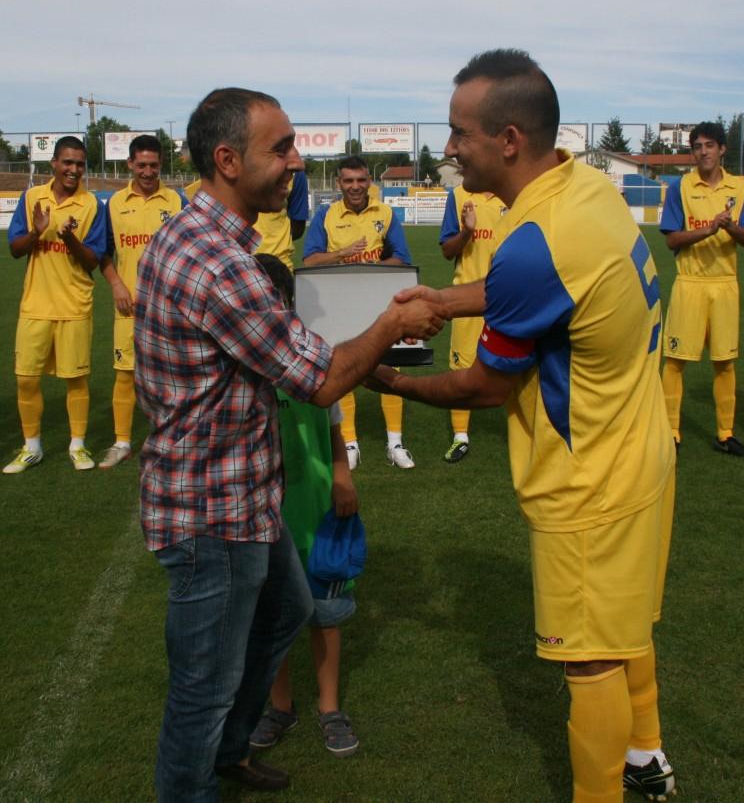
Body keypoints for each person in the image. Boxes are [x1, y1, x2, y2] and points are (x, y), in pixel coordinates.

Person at [367, 50, 676, 803]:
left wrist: (392, 380)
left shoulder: (536, 242)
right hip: (640, 447)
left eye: (458, 133)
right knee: (625, 625)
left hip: (587, 481)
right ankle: (647, 755)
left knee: (590, 657)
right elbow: (542, 286)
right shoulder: (586, 189)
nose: (448, 148)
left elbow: (484, 384)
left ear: (508, 140)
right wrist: (445, 300)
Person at [133, 87, 444, 802]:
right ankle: (195, 783)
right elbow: (321, 379)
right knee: (202, 687)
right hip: (212, 510)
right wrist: (392, 324)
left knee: (287, 610)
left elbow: (289, 350)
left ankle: (231, 748)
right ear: (227, 160)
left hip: (241, 495)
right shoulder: (221, 264)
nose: (297, 163)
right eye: (281, 149)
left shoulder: (195, 237)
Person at [249, 255, 361, 758]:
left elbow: (333, 421)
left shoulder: (312, 351)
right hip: (262, 507)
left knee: (325, 611)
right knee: (270, 612)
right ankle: (280, 706)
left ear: (287, 301)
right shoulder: (242, 356)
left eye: (272, 298)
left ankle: (330, 708)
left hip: (314, 501)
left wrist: (341, 474)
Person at [303, 156, 415, 470]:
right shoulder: (325, 215)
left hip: (377, 304)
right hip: (338, 306)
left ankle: (395, 443)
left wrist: (370, 267)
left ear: (369, 181)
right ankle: (349, 443)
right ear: (339, 183)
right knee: (343, 370)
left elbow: (402, 258)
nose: (355, 186)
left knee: (388, 368)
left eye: (361, 180)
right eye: (349, 181)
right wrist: (341, 255)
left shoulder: (385, 213)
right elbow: (309, 261)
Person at [4, 136, 106, 474]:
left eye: (80, 164)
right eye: (68, 162)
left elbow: (92, 261)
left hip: (75, 305)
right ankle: (31, 446)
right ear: (54, 164)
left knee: (76, 380)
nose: (74, 169)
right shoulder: (32, 197)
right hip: (35, 305)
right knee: (25, 379)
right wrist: (37, 232)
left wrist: (68, 237)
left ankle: (78, 445)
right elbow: (15, 249)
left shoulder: (92, 205)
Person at [659, 121, 744, 457]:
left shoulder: (740, 188)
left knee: (725, 363)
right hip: (690, 284)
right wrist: (709, 230)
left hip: (725, 285)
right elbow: (672, 239)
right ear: (693, 153)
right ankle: (670, 432)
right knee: (675, 361)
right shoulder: (680, 188)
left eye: (710, 145)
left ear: (722, 149)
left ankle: (725, 434)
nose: (703, 152)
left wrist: (729, 227)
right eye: (697, 147)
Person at [98, 134, 186, 468]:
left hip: (169, 309)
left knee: (173, 375)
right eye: (142, 165)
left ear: (161, 164)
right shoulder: (115, 204)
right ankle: (121, 442)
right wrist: (117, 285)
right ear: (130, 164)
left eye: (153, 165)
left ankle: (174, 439)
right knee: (125, 375)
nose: (148, 172)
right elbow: (103, 252)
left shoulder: (176, 201)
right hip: (130, 306)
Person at [438, 184, 507, 462]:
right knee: (462, 367)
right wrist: (467, 231)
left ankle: (526, 430)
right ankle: (460, 437)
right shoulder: (458, 196)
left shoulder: (513, 192)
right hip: (467, 298)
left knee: (522, 365)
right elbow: (447, 250)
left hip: (509, 295)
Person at [185, 169, 309, 268]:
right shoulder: (223, 170)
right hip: (234, 264)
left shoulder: (295, 172)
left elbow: (298, 226)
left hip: (277, 267)